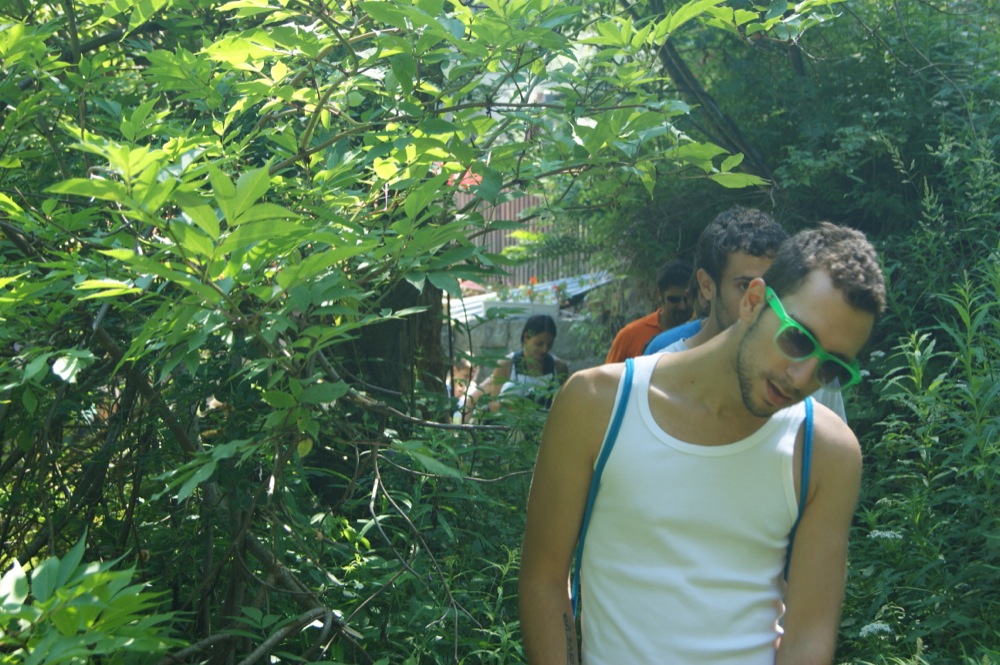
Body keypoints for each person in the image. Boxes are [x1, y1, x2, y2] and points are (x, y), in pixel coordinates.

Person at [518, 222, 886, 664]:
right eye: (797, 338)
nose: (803, 376)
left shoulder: (825, 451)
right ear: (753, 301)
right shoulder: (597, 403)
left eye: (831, 367)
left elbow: (808, 637)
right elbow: (544, 577)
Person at [643, 207, 848, 422]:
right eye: (745, 286)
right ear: (706, 286)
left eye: (774, 288)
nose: (761, 301)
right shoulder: (655, 375)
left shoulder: (808, 376)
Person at [604, 259, 693, 364]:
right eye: (674, 300)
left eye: (687, 299)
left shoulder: (703, 332)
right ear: (660, 295)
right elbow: (611, 373)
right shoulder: (630, 335)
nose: (682, 306)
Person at [488, 314, 569, 411]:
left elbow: (565, 405)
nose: (545, 349)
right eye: (539, 344)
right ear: (526, 338)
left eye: (549, 345)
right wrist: (517, 411)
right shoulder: (506, 365)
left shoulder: (559, 367)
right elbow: (493, 405)